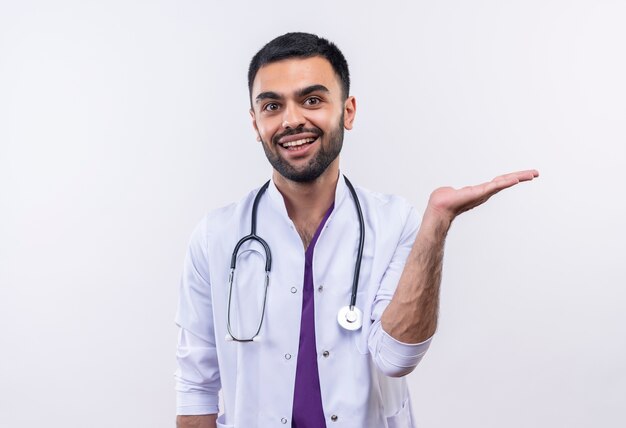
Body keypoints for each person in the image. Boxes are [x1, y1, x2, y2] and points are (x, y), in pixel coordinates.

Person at [175, 32, 538, 428]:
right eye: (272, 106)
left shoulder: (395, 222)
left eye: (312, 100)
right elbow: (197, 385)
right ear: (256, 123)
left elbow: (396, 358)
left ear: (347, 111)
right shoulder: (216, 236)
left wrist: (437, 224)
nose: (292, 119)